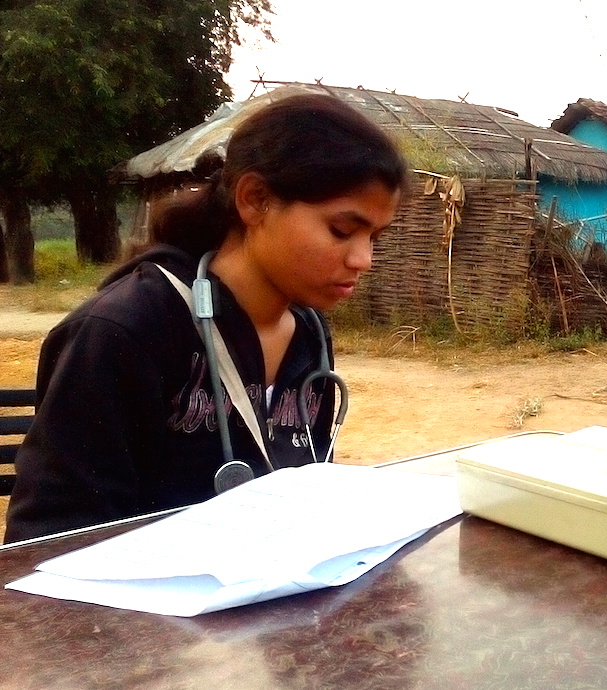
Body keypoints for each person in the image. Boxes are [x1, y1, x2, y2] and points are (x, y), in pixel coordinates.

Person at [5, 93, 409, 542]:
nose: (364, 259)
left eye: (375, 236)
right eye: (342, 230)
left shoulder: (309, 335)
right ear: (254, 200)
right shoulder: (124, 332)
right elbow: (47, 540)